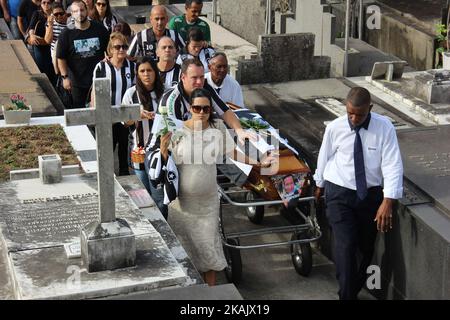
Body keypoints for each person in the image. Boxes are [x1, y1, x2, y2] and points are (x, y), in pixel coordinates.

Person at [159, 88, 273, 286]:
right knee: (185, 255)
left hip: (208, 203)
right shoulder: (176, 131)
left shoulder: (217, 128)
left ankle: (210, 296)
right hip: (182, 206)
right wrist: (162, 151)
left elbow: (232, 153)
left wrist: (257, 163)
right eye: (197, 108)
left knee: (209, 252)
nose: (201, 112)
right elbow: (165, 166)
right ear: (189, 108)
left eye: (206, 108)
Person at [313, 87, 403, 300]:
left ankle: (349, 291)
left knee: (365, 248)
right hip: (339, 192)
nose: (354, 119)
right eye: (350, 113)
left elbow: (392, 164)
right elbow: (324, 157)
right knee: (345, 245)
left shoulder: (384, 128)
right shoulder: (335, 127)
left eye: (359, 114)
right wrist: (320, 184)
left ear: (370, 109)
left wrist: (387, 200)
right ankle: (347, 296)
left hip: (369, 195)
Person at [121, 57, 164, 204]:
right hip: (138, 150)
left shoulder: (165, 92)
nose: (146, 74)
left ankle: (162, 226)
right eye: (142, 71)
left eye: (149, 70)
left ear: (155, 71)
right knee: (143, 197)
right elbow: (125, 122)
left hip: (160, 152)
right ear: (137, 73)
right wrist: (136, 115)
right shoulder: (131, 94)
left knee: (159, 197)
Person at [92, 32, 136, 176]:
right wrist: (97, 114)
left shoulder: (132, 67)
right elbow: (95, 91)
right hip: (107, 115)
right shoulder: (101, 67)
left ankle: (125, 177)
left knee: (124, 149)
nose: (121, 50)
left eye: (124, 46)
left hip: (124, 115)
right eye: (117, 47)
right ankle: (105, 177)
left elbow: (136, 91)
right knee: (107, 149)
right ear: (110, 49)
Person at [57, 0, 109, 108]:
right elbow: (61, 58)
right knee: (80, 114)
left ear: (87, 11)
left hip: (98, 79)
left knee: (100, 110)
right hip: (77, 83)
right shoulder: (66, 34)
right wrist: (65, 77)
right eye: (75, 11)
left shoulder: (99, 29)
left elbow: (109, 49)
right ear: (71, 14)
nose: (79, 14)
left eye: (82, 10)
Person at [27, 0, 57, 86]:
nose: (46, 5)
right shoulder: (37, 13)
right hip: (40, 44)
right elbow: (31, 27)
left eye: (48, 2)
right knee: (41, 66)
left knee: (52, 67)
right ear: (41, 4)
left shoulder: (56, 14)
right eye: (44, 2)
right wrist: (32, 35)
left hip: (53, 45)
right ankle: (44, 86)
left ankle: (54, 87)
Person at [44, 2, 68, 74]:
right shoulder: (50, 23)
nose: (59, 16)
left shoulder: (70, 22)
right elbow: (48, 41)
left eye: (61, 13)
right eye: (56, 14)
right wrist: (50, 26)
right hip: (57, 52)